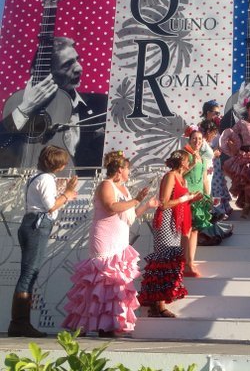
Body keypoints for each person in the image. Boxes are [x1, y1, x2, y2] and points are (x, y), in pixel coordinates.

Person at [62, 151, 157, 337]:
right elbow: (110, 207)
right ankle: (85, 324)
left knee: (115, 283)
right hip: (105, 239)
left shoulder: (125, 190)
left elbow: (130, 216)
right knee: (101, 279)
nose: (130, 172)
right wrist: (136, 199)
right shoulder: (106, 185)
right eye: (128, 168)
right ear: (120, 170)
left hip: (120, 241)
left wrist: (146, 204)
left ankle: (109, 324)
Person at [0, 37, 107, 172]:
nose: (79, 68)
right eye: (67, 64)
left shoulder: (102, 104)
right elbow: (2, 142)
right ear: (43, 72)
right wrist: (26, 107)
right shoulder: (18, 104)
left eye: (77, 60)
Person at [8, 145, 78, 337]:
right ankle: (19, 323)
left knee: (29, 272)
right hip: (37, 226)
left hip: (31, 224)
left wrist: (66, 192)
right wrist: (67, 194)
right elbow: (49, 206)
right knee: (29, 273)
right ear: (59, 165)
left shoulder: (37, 177)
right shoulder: (47, 179)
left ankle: (20, 322)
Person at [138, 150, 201, 318]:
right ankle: (157, 304)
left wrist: (191, 198)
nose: (189, 164)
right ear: (181, 162)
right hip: (166, 220)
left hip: (176, 221)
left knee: (170, 259)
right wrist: (184, 199)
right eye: (188, 161)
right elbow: (164, 203)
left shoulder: (181, 178)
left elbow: (180, 198)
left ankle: (159, 304)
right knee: (164, 259)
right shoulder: (170, 176)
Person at [183, 129, 214, 276]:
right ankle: (185, 262)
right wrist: (191, 164)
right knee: (186, 231)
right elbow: (177, 175)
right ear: (189, 140)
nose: (197, 141)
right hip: (187, 196)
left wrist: (208, 196)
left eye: (200, 139)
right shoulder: (184, 155)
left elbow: (205, 179)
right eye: (194, 139)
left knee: (195, 230)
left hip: (199, 196)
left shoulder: (203, 157)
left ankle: (191, 261)